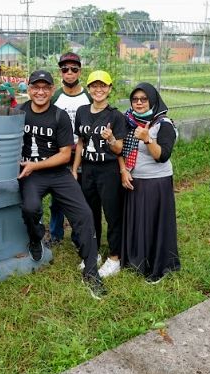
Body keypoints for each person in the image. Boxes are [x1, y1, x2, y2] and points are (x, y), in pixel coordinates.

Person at [17, 69, 107, 299]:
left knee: (84, 215)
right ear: (28, 89)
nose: (40, 92)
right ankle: (36, 237)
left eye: (45, 88)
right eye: (35, 87)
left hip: (57, 174)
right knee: (30, 208)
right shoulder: (18, 113)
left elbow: (66, 155)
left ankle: (91, 271)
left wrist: (34, 165)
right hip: (31, 176)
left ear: (51, 90)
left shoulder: (59, 116)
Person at [120, 82, 180, 283]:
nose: (139, 103)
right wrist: (124, 170)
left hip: (156, 183)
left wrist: (147, 139)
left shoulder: (164, 124)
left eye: (144, 99)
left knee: (154, 225)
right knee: (138, 222)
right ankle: (137, 261)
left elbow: (161, 156)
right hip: (134, 181)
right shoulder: (129, 120)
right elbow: (121, 150)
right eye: (135, 99)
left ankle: (159, 266)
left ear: (152, 101)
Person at [71, 70, 126, 278]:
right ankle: (93, 254)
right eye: (94, 85)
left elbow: (119, 148)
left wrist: (111, 139)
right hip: (89, 169)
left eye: (103, 85)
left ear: (110, 88)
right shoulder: (82, 111)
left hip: (108, 170)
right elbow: (80, 143)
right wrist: (75, 169)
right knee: (90, 213)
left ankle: (114, 257)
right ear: (89, 88)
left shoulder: (115, 116)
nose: (98, 89)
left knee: (112, 214)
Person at [47, 52, 92, 246]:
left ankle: (78, 235)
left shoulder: (88, 96)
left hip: (83, 152)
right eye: (65, 69)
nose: (70, 73)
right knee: (57, 198)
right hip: (60, 152)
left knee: (80, 197)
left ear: (79, 71)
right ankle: (56, 234)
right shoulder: (56, 96)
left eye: (74, 69)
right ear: (61, 72)